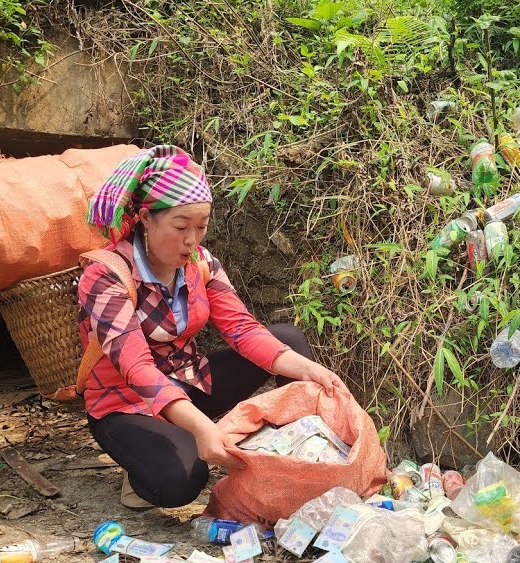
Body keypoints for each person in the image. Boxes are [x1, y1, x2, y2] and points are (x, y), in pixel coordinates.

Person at [77, 145, 345, 509]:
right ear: (144, 218)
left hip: (189, 381)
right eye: (181, 226)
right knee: (181, 482)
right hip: (127, 402)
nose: (192, 240)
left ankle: (299, 450)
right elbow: (136, 367)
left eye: (201, 227)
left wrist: (310, 369)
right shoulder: (107, 275)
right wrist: (203, 428)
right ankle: (140, 465)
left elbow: (242, 330)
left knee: (288, 341)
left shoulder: (200, 264)